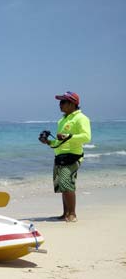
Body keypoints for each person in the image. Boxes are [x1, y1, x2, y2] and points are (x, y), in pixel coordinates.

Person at [39, 91, 91, 223]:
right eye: (60, 102)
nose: (60, 105)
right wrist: (48, 142)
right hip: (60, 156)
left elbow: (86, 137)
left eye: (63, 102)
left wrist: (68, 136)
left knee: (67, 184)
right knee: (62, 185)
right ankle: (65, 213)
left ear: (72, 103)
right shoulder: (62, 120)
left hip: (73, 156)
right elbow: (60, 141)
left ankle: (72, 214)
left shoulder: (81, 118)